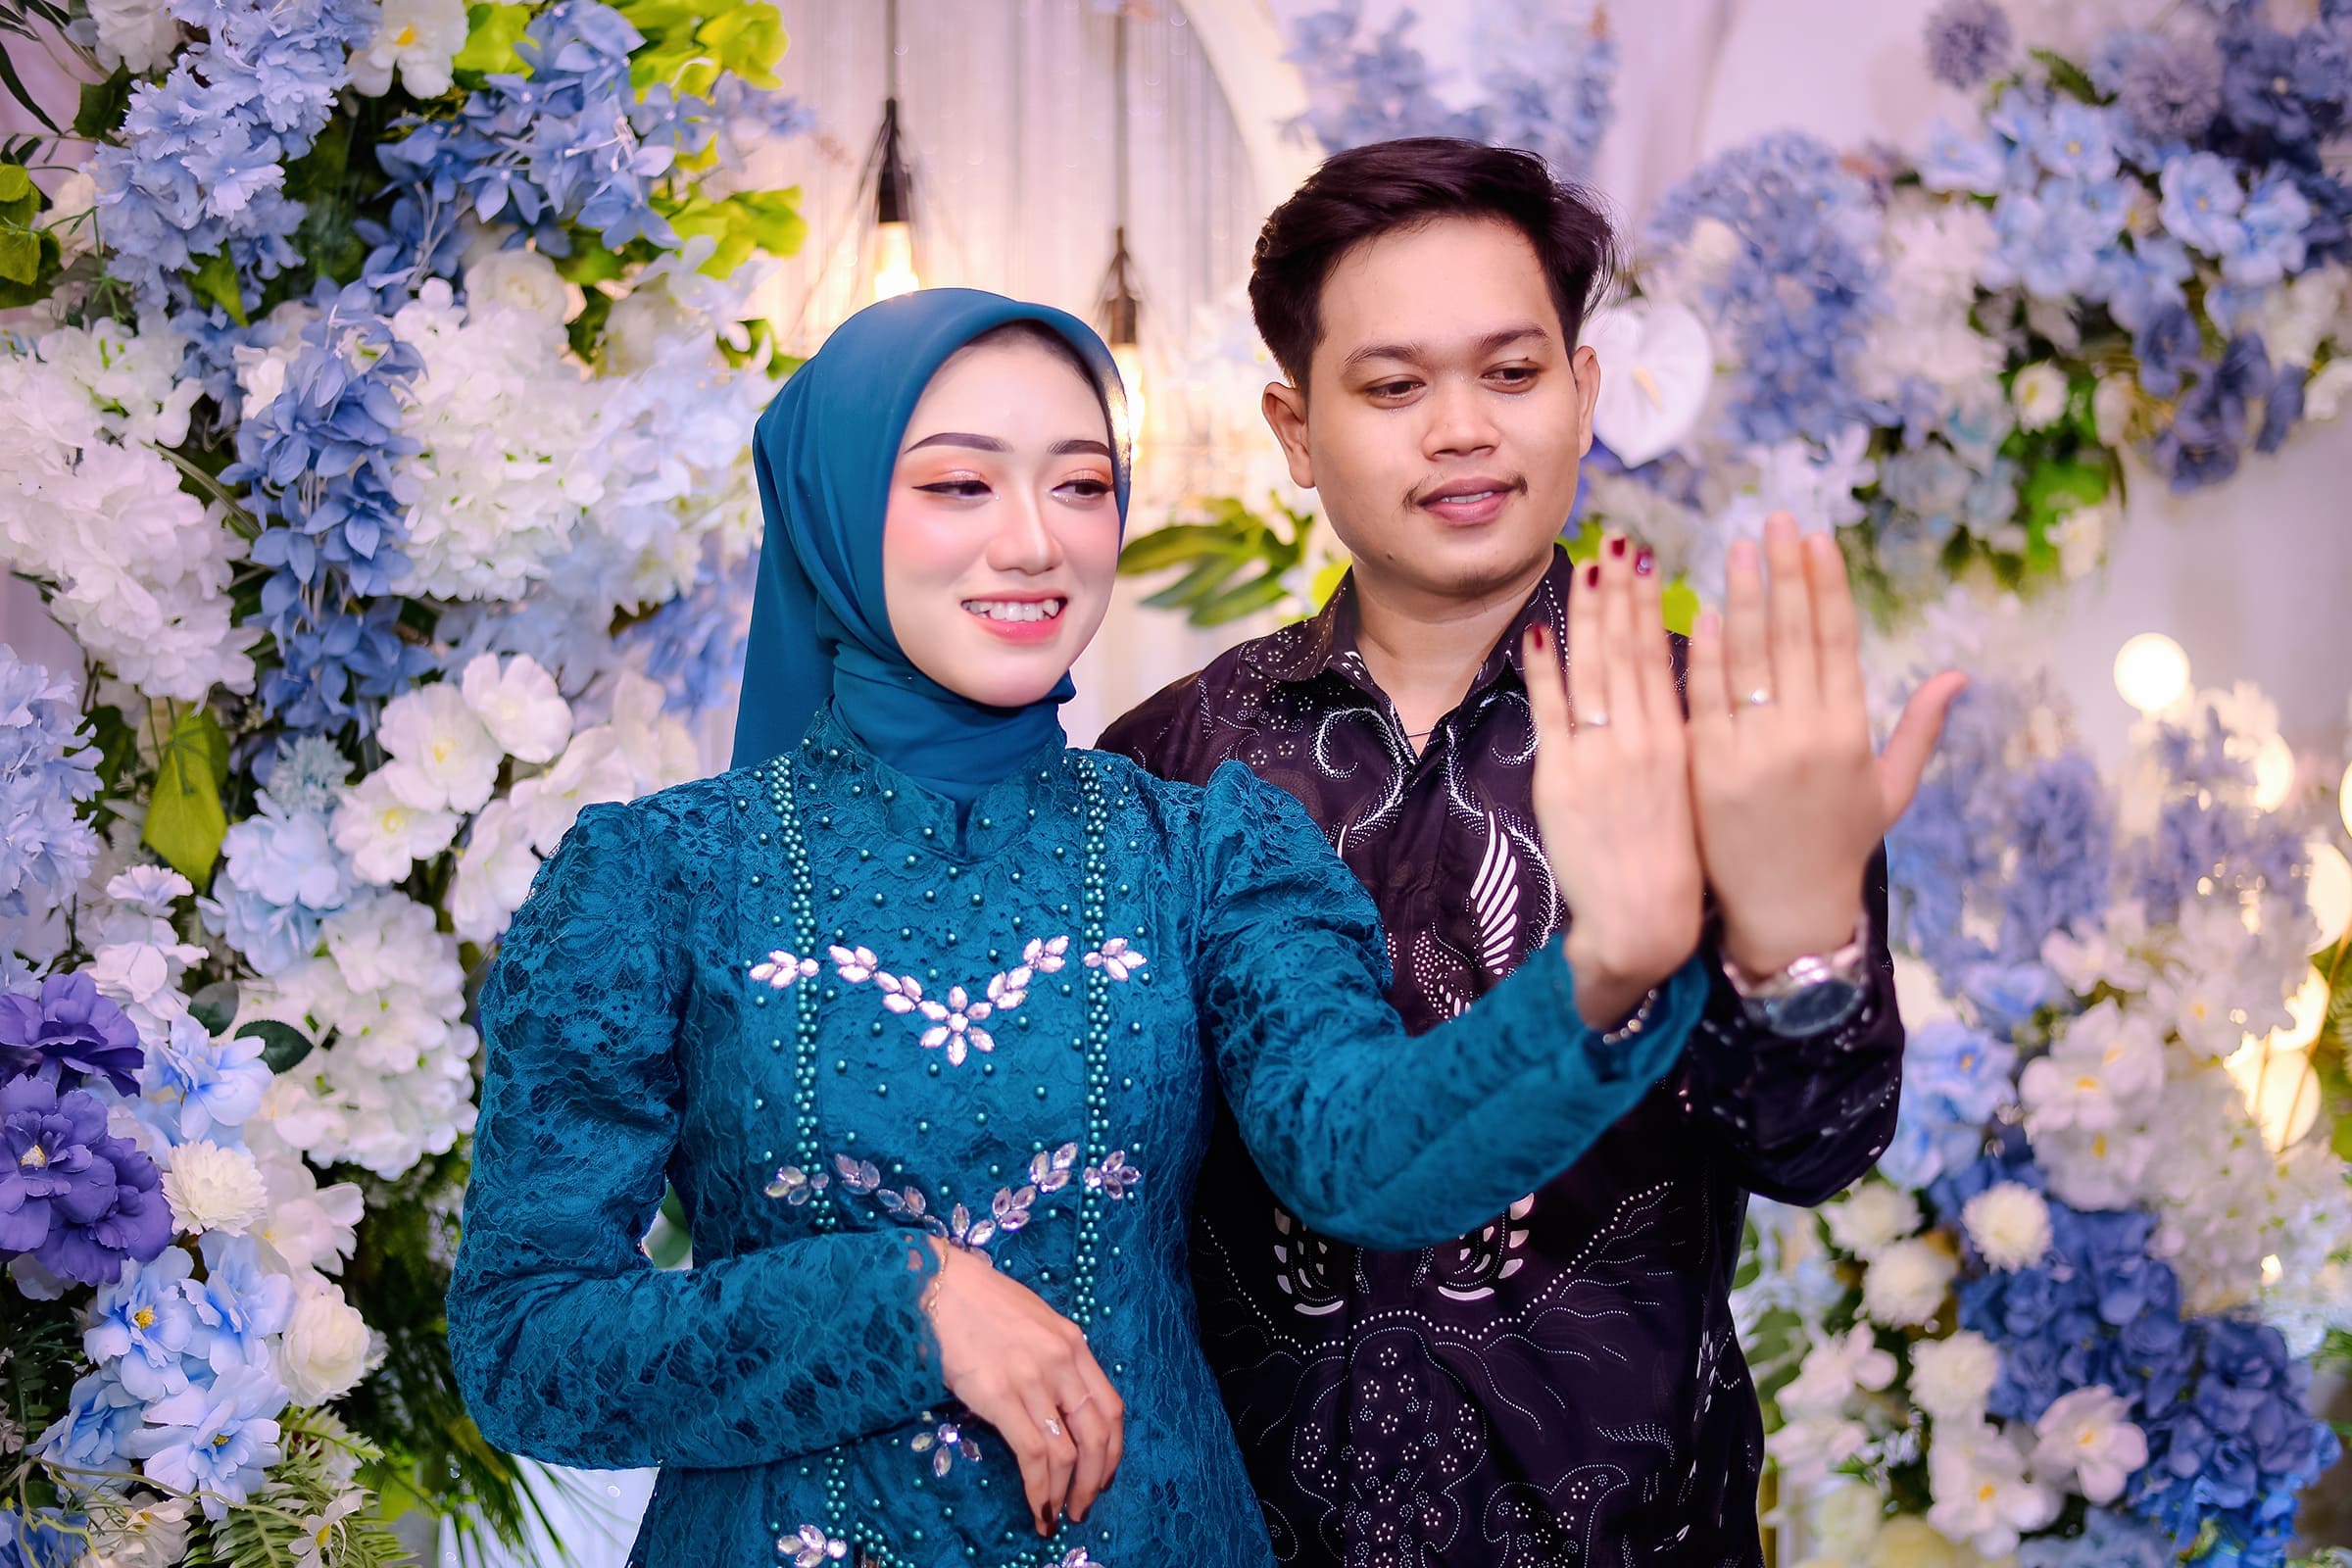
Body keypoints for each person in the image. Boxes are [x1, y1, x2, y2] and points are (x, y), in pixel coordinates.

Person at [446, 287, 1734, 1568]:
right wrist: (899, 1303)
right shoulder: (655, 878)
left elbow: (1363, 1157)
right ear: (836, 509)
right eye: (961, 486)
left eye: (1080, 485)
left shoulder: (1208, 851)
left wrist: (1601, 970)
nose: (1035, 544)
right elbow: (525, 1347)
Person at [1101, 138, 1964, 1566]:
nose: (1462, 430)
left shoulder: (1725, 733)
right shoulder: (1171, 761)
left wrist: (1798, 952)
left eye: (1512, 373)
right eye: (1394, 387)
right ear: (1296, 428)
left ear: (1585, 391)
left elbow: (1816, 1150)